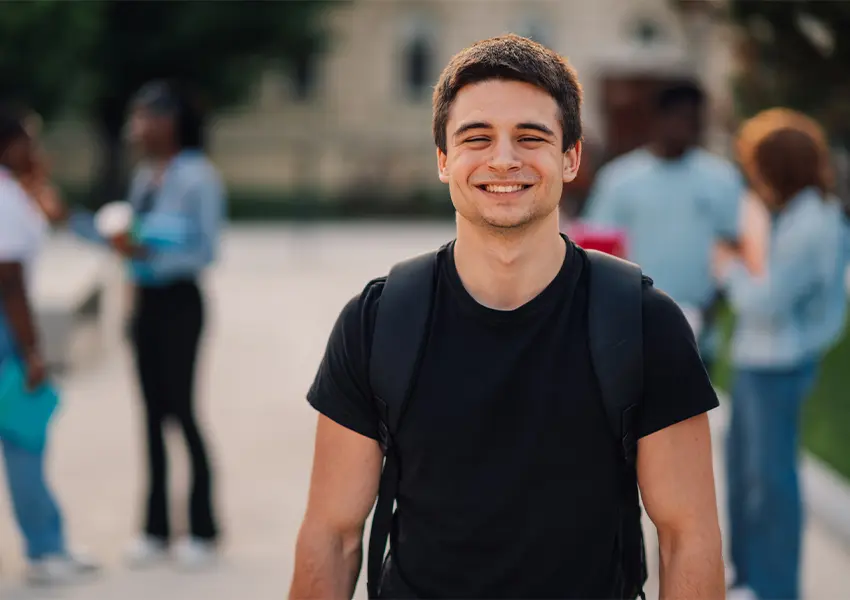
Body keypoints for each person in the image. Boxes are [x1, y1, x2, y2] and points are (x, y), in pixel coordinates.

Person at [289, 35, 723, 599]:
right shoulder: (378, 321)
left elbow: (688, 535)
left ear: (571, 158)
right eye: (476, 138)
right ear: (443, 160)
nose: (503, 159)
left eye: (530, 137)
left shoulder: (643, 323)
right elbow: (332, 534)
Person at [70, 80, 225, 569]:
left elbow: (205, 250)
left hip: (180, 303)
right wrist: (81, 225)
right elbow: (127, 239)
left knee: (182, 410)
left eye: (143, 117)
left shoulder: (198, 177)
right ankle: (155, 529)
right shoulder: (145, 176)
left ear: (169, 122)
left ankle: (202, 528)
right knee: (152, 416)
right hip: (145, 306)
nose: (134, 127)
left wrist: (145, 253)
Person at [714, 109, 849, 600]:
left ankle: (772, 588)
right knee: (744, 475)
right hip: (759, 361)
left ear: (778, 166)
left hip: (778, 364)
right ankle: (748, 578)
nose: (754, 176)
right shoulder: (794, 214)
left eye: (758, 165)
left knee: (769, 482)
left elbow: (766, 301)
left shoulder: (812, 222)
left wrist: (728, 268)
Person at [0, 107, 99, 585]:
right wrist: (33, 351)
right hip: (7, 331)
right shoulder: (4, 198)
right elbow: (10, 281)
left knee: (25, 437)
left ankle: (49, 542)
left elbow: (50, 216)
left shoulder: (14, 192)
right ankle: (44, 549)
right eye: (30, 141)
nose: (36, 150)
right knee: (25, 439)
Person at [583, 80, 744, 369]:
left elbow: (733, 245)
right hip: (635, 323)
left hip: (699, 324)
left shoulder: (721, 178)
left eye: (695, 120)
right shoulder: (621, 178)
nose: (688, 128)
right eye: (680, 118)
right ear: (658, 119)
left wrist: (716, 300)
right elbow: (598, 249)